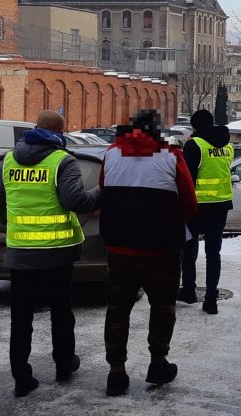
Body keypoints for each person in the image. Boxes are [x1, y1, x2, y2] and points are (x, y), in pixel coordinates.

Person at [0, 110, 101, 397]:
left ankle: (21, 377)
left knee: (21, 316)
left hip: (20, 252)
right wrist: (101, 192)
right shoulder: (62, 161)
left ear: (35, 128)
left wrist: (15, 227)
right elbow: (75, 200)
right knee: (61, 312)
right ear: (60, 133)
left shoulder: (8, 160)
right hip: (57, 253)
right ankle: (64, 364)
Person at [99, 109, 197, 396]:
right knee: (163, 307)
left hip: (119, 249)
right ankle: (158, 364)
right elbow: (189, 202)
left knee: (117, 310)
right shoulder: (170, 155)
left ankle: (116, 373)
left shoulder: (112, 153)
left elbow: (105, 191)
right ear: (157, 131)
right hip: (160, 251)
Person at [178, 109, 234, 314]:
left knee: (188, 249)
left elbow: (186, 180)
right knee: (213, 253)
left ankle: (189, 291)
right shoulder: (227, 146)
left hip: (197, 206)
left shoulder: (195, 145)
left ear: (195, 126)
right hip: (221, 205)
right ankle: (211, 300)